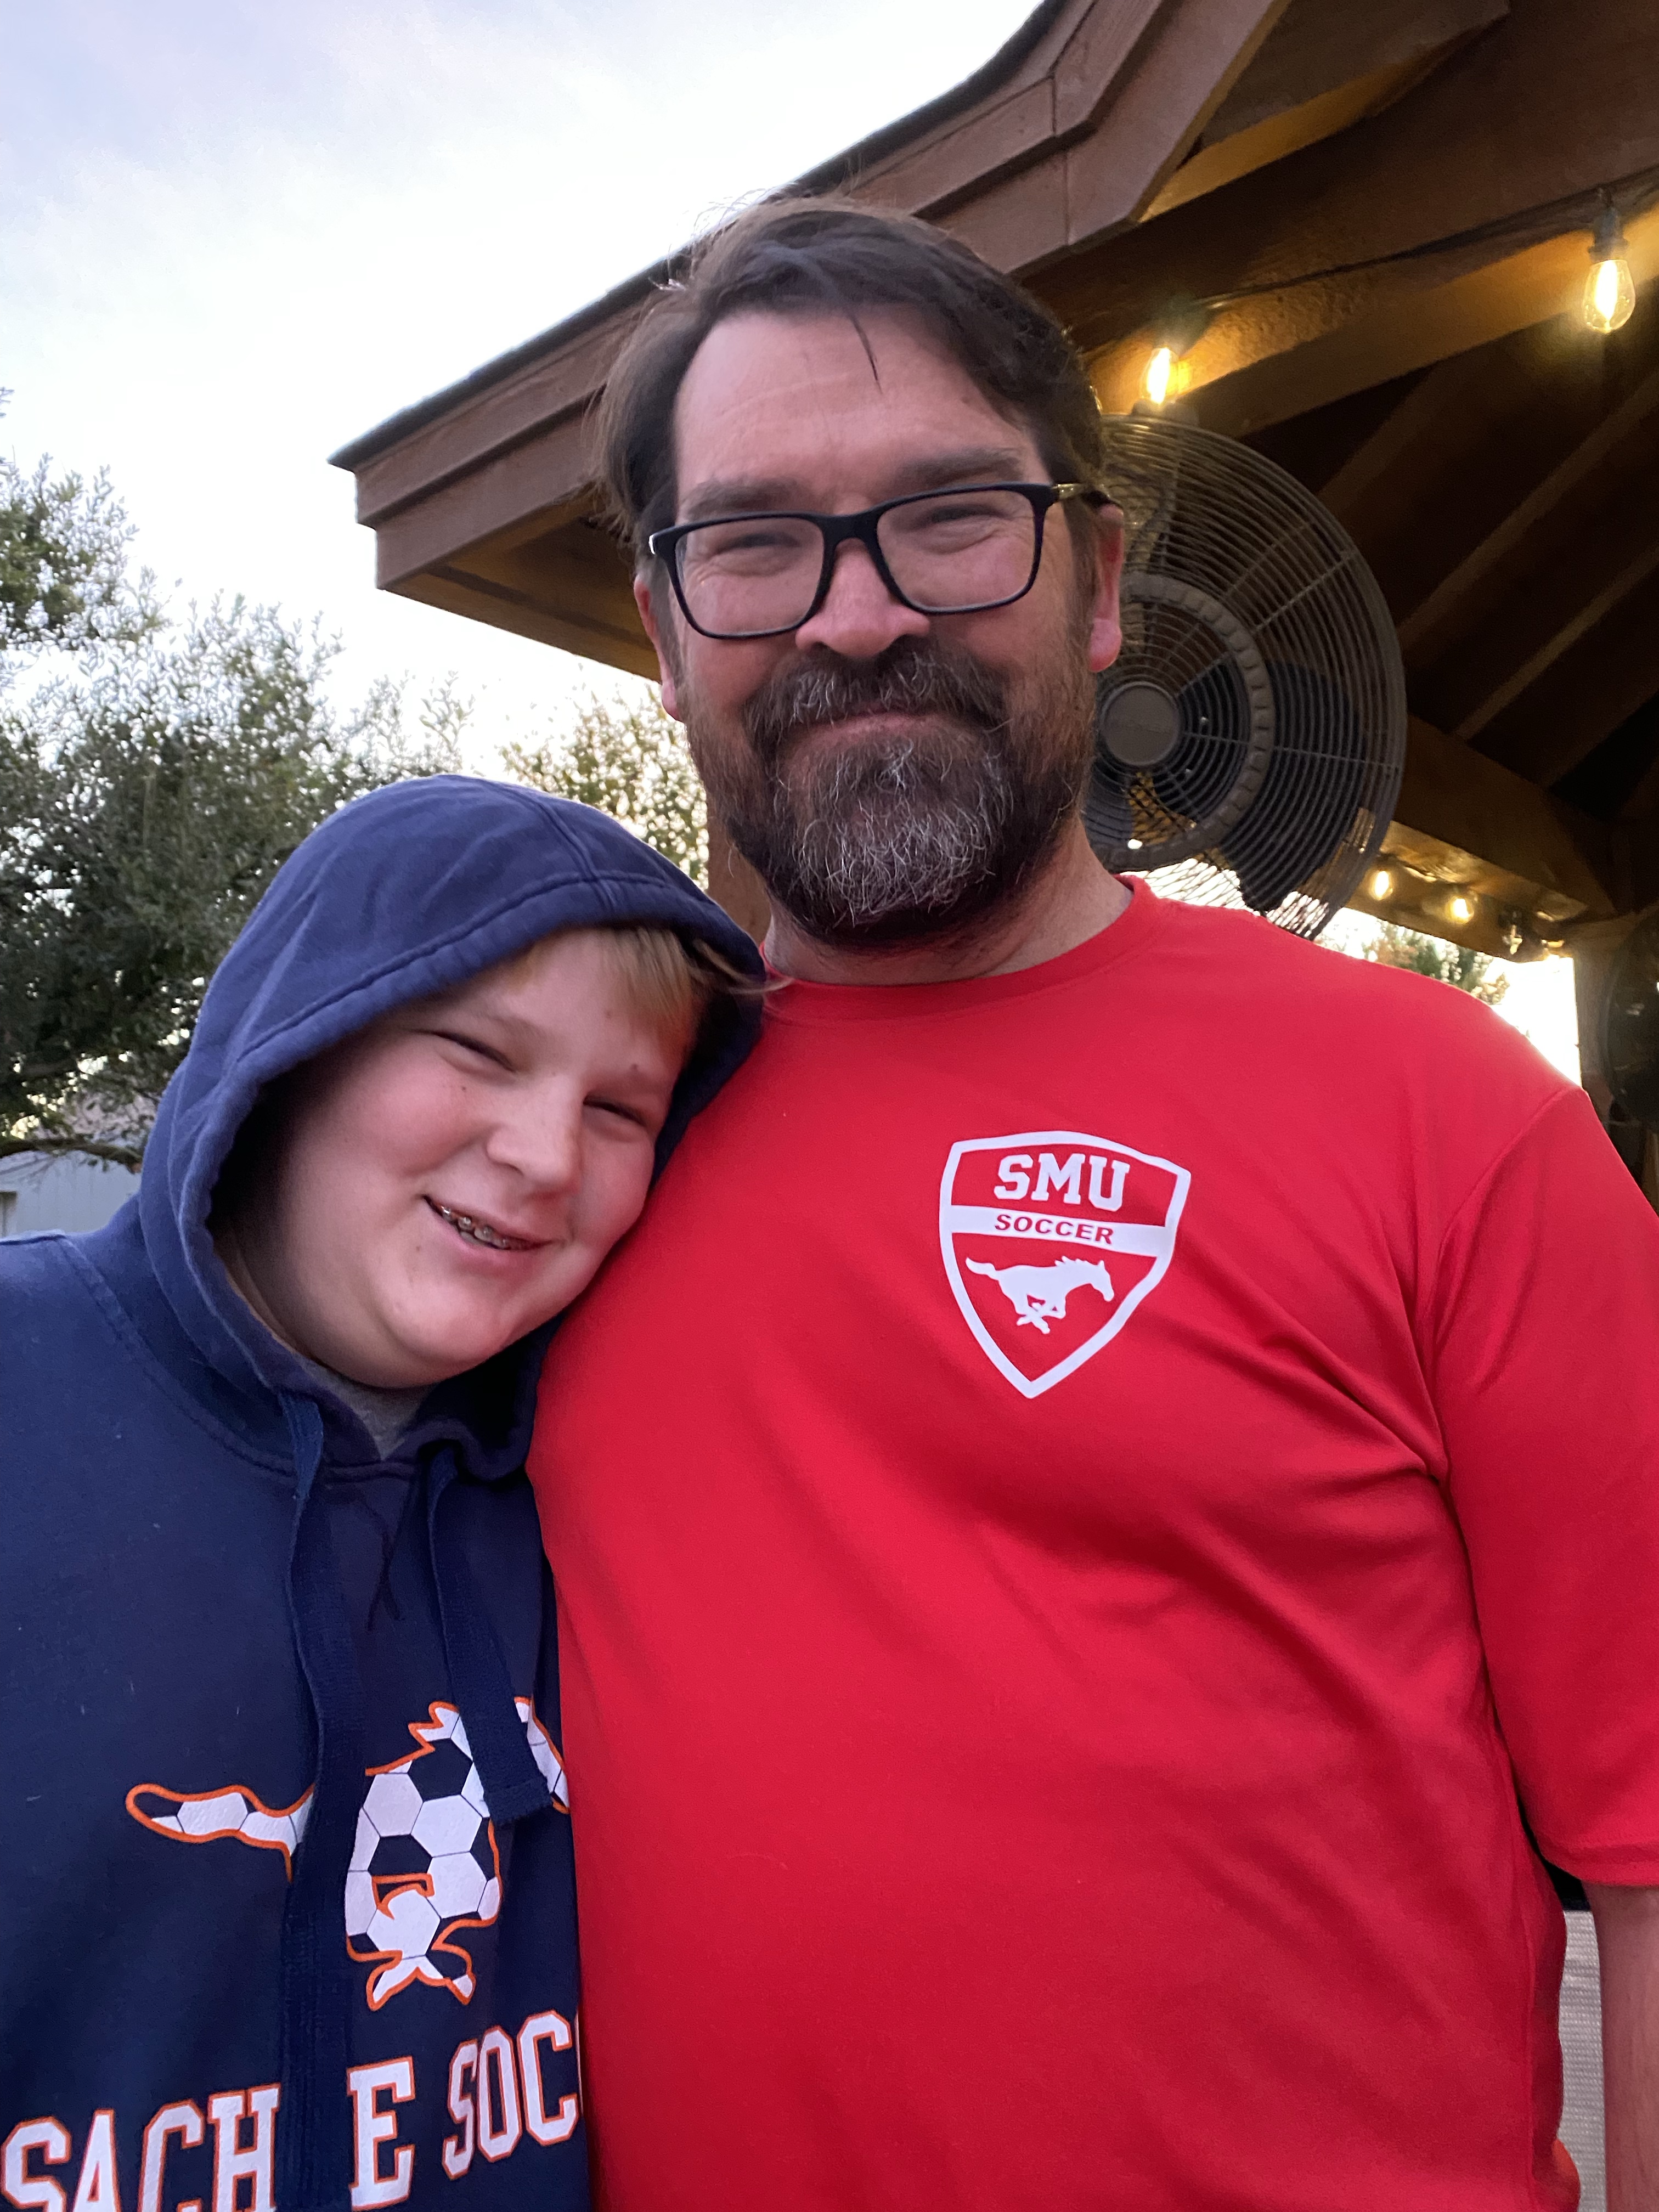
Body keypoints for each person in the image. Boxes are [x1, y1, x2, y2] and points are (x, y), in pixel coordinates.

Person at [528, 198, 1659, 2212]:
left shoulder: (1445, 1118)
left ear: (1106, 583)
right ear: (667, 631)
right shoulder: (562, 1161)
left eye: (952, 515)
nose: (857, 613)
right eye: (757, 542)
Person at [0, 776, 761, 2212]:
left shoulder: (602, 1499)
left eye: (619, 1109)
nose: (544, 1154)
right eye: (477, 1050)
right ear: (300, 1042)